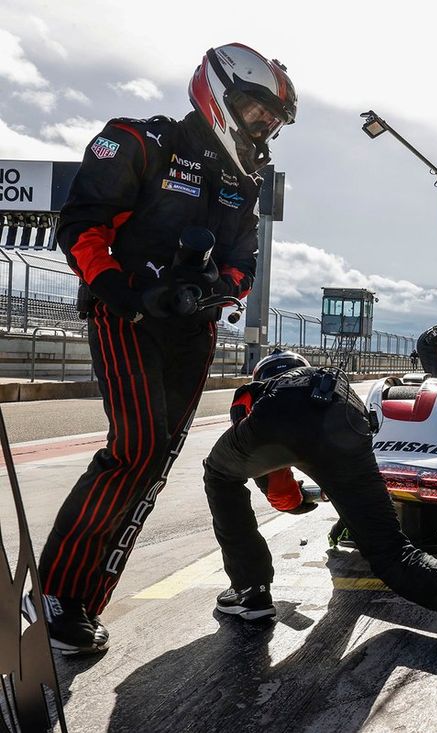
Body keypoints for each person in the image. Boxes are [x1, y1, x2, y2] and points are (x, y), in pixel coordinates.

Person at [37, 43, 297, 656]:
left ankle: (79, 601)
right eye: (260, 113)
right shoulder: (137, 140)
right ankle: (57, 596)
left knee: (153, 462)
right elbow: (81, 224)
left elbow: (243, 263)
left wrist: (211, 289)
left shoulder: (244, 182)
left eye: (274, 121)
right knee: (138, 445)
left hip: (192, 331)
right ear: (224, 94)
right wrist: (124, 290)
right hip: (125, 315)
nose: (266, 128)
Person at [203, 351, 437, 650]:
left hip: (284, 416)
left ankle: (251, 592)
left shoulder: (257, 394)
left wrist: (298, 502)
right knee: (392, 554)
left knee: (219, 475)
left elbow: (279, 492)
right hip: (347, 417)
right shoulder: (323, 383)